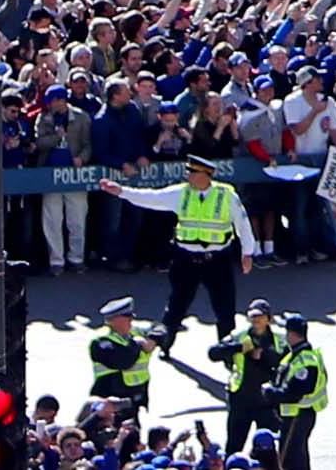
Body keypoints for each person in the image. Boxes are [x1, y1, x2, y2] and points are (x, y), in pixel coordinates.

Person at [99, 155, 257, 348]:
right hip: (186, 258)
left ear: (205, 175)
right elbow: (151, 198)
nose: (188, 175)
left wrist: (247, 253)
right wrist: (121, 191)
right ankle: (165, 345)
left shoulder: (226, 195)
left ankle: (227, 351)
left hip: (217, 259)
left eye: (192, 172)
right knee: (176, 306)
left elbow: (243, 223)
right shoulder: (181, 193)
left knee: (225, 309)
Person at [211, 300, 282, 450]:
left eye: (260, 316)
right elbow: (213, 353)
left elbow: (286, 361)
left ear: (269, 318)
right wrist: (239, 348)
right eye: (253, 316)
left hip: (266, 402)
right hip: (241, 398)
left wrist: (265, 354)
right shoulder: (239, 336)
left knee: (265, 448)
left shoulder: (279, 340)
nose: (256, 320)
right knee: (234, 446)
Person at [272, 317, 326, 470]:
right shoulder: (295, 355)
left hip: (298, 415)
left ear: (292, 334)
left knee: (291, 461)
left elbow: (297, 393)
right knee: (296, 458)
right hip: (295, 416)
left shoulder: (306, 361)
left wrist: (273, 393)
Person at [89, 302, 157, 419]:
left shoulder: (136, 332)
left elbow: (161, 328)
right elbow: (124, 361)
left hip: (135, 395)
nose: (131, 319)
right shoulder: (101, 343)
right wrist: (138, 343)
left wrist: (154, 339)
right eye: (126, 317)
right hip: (110, 402)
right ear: (113, 320)